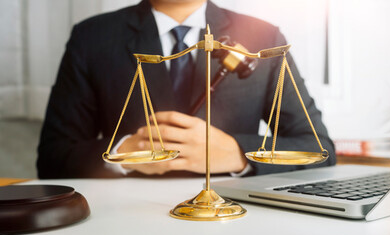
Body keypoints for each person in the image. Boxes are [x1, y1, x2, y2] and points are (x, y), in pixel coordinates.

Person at [37, 0, 335, 178]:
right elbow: (52, 158)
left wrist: (238, 153)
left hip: (235, 218)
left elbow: (319, 148)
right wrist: (122, 151)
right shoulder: (93, 38)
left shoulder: (263, 36)